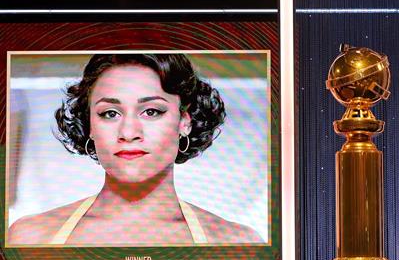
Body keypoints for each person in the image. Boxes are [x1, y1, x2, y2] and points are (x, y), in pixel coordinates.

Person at [8, 54, 261, 246]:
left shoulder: (237, 242)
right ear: (90, 126)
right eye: (110, 113)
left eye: (151, 111)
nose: (129, 132)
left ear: (184, 121)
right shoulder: (32, 236)